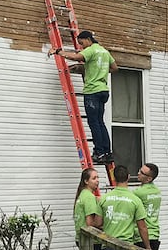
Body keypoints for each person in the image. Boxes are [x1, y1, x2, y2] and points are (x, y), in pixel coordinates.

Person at [49, 30, 118, 163]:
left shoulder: (91, 50)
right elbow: (115, 68)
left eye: (82, 43)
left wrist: (58, 52)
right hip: (103, 91)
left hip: (92, 91)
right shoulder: (104, 51)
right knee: (100, 122)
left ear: (88, 39)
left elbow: (76, 57)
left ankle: (99, 152)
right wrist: (100, 71)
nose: (81, 46)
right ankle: (107, 153)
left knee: (94, 123)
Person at [100, 165, 151, 250]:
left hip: (107, 245)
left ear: (114, 177)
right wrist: (147, 246)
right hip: (124, 246)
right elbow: (142, 227)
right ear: (128, 177)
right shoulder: (135, 200)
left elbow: (98, 222)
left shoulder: (104, 198)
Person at [74, 168, 106, 250]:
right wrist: (105, 226)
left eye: (98, 177)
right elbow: (90, 223)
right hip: (92, 242)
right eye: (94, 178)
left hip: (81, 239)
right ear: (86, 181)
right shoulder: (89, 197)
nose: (97, 180)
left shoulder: (82, 195)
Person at [133, 163, 161, 250]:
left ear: (149, 178)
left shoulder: (138, 192)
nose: (138, 173)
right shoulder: (157, 191)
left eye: (142, 172)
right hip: (154, 234)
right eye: (140, 170)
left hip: (141, 235)